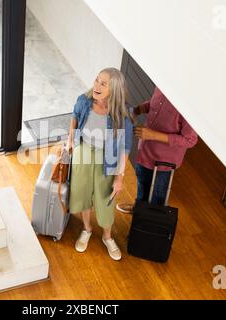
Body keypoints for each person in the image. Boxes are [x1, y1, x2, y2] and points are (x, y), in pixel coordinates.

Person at [65, 68, 133, 261]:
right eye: (97, 80)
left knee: (105, 199)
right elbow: (74, 116)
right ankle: (86, 229)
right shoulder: (84, 100)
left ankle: (107, 237)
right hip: (84, 149)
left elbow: (125, 148)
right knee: (83, 191)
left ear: (115, 89)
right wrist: (71, 140)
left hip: (108, 155)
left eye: (103, 83)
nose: (97, 85)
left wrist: (119, 178)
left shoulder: (122, 114)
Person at [116, 87, 198, 213]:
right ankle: (139, 210)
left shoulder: (188, 104)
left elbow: (190, 140)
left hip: (164, 162)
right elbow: (154, 103)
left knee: (158, 198)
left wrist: (153, 135)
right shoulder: (163, 84)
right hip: (145, 151)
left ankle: (149, 221)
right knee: (142, 184)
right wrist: (137, 110)